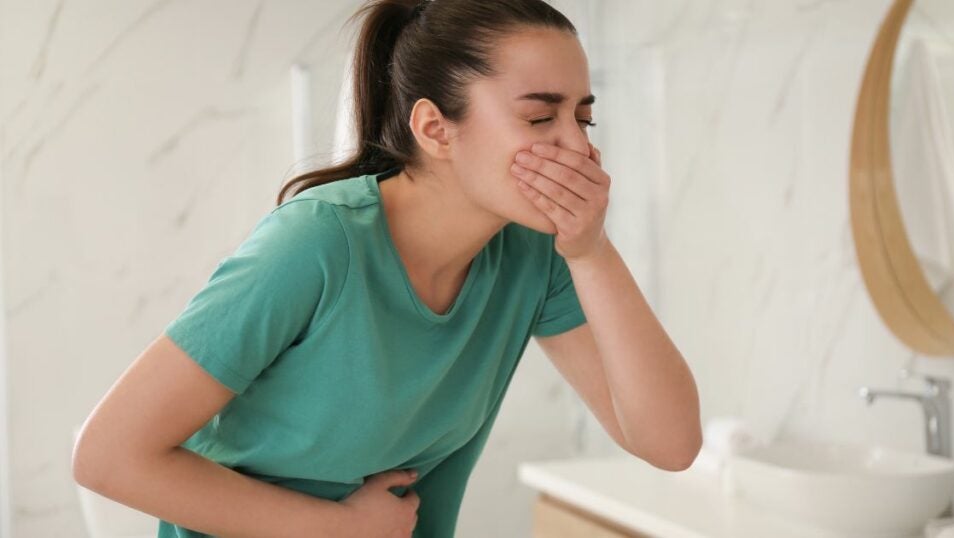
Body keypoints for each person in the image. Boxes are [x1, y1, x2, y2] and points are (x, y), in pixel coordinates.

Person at [72, 0, 702, 537]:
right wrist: (339, 529)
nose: (578, 146)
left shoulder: (535, 254)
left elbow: (669, 445)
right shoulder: (318, 244)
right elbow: (108, 457)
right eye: (540, 117)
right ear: (434, 128)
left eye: (583, 116)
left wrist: (591, 250)